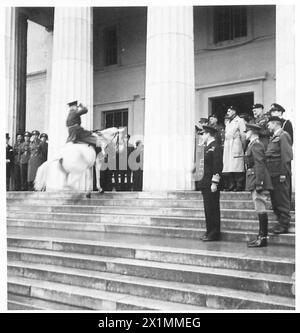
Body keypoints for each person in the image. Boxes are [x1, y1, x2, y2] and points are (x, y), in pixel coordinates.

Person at [244, 123, 273, 247]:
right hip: (254, 177)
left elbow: (259, 164)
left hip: (257, 179)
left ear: (252, 132)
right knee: (258, 207)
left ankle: (263, 237)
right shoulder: (252, 144)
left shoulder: (256, 145)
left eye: (247, 131)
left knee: (260, 206)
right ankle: (261, 236)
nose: (245, 133)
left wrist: (259, 183)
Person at [265, 116, 293, 234]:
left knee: (282, 200)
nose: (268, 126)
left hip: (280, 174)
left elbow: (286, 157)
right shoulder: (274, 137)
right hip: (273, 174)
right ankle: (279, 223)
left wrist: (283, 173)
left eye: (269, 124)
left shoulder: (283, 135)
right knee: (276, 200)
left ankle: (284, 224)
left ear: (275, 123)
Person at [198, 125, 223, 241]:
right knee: (207, 208)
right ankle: (209, 230)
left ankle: (215, 232)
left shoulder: (215, 147)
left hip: (211, 182)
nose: (202, 136)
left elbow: (217, 166)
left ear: (208, 134)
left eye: (203, 134)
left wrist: (215, 182)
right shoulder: (206, 147)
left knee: (213, 208)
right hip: (205, 181)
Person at [222, 105, 246, 191]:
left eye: (229, 111)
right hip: (228, 144)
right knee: (229, 166)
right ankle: (231, 185)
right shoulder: (228, 122)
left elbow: (243, 135)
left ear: (234, 111)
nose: (228, 113)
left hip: (236, 143)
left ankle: (239, 185)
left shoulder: (240, 121)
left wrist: (243, 146)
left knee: (237, 165)